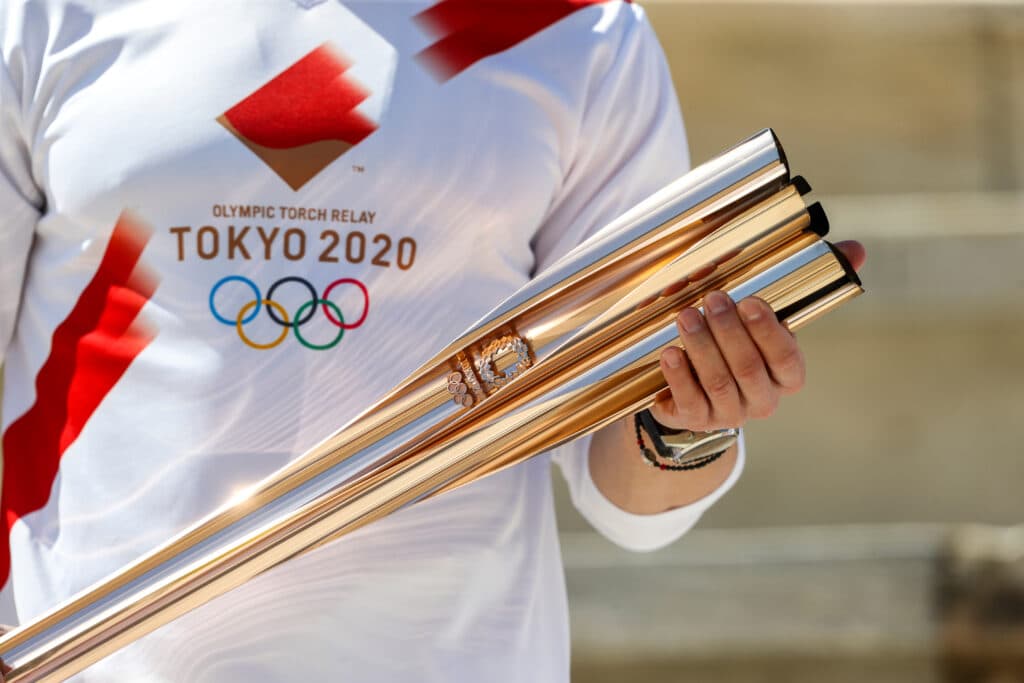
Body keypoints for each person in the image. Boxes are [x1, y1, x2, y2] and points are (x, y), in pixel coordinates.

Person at [0, 0, 865, 680]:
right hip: (87, 658)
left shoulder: (577, 28)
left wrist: (688, 421)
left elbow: (622, 489)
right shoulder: (47, 14)